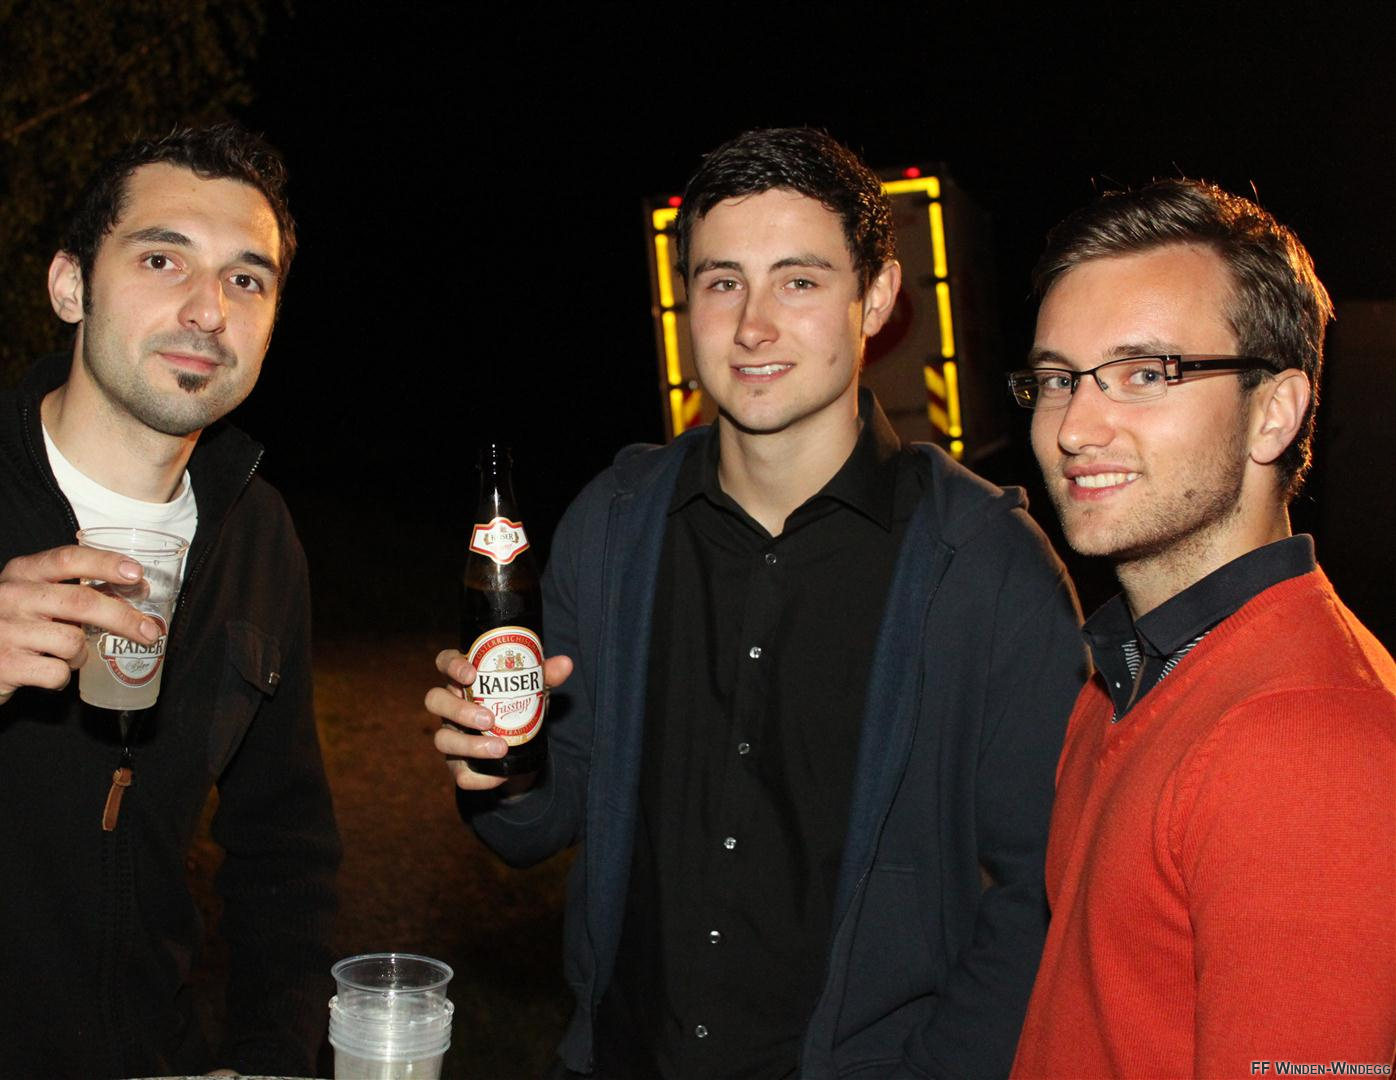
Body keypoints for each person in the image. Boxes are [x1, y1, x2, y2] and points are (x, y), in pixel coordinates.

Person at [425, 128, 1090, 1079]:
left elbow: (1043, 893)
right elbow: (537, 825)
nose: (752, 326)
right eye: (722, 281)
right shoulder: (614, 525)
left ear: (878, 298)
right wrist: (499, 767)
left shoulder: (986, 567)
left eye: (799, 281)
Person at [0, 123, 340, 1078]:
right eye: (162, 258)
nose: (208, 309)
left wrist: (272, 1055)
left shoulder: (257, 535)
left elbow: (286, 849)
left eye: (247, 279)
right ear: (70, 285)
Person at [1007, 180, 1396, 1076]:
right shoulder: (1130, 675)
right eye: (1059, 379)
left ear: (1274, 412)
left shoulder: (1303, 732)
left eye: (1146, 374)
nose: (1075, 426)